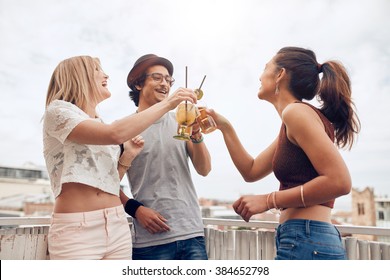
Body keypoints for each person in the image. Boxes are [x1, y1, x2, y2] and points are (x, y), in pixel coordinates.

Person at [208, 47, 361, 260]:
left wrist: (269, 200)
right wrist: (225, 126)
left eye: (265, 68)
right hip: (303, 239)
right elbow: (251, 171)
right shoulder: (292, 121)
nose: (260, 76)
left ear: (280, 74)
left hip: (307, 239)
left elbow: (340, 181)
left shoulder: (296, 113)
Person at [42, 55, 196, 260]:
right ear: (78, 76)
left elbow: (109, 180)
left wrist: (127, 157)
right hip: (78, 229)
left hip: (117, 226)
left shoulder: (98, 122)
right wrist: (169, 103)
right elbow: (115, 134)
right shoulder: (58, 111)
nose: (106, 74)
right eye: (97, 70)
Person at [123, 54, 211, 260]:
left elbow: (204, 169)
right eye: (157, 78)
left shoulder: (182, 119)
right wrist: (136, 210)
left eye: (168, 79)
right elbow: (106, 185)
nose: (165, 84)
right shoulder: (123, 128)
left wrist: (196, 134)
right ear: (138, 84)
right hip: (149, 241)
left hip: (192, 233)